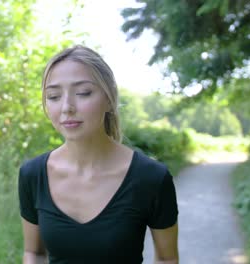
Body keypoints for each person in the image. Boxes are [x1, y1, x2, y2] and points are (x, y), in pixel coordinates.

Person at [18, 45, 179, 264]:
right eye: (54, 96)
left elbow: (167, 259)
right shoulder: (33, 175)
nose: (67, 107)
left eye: (83, 93)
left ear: (109, 98)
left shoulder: (151, 178)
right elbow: (34, 253)